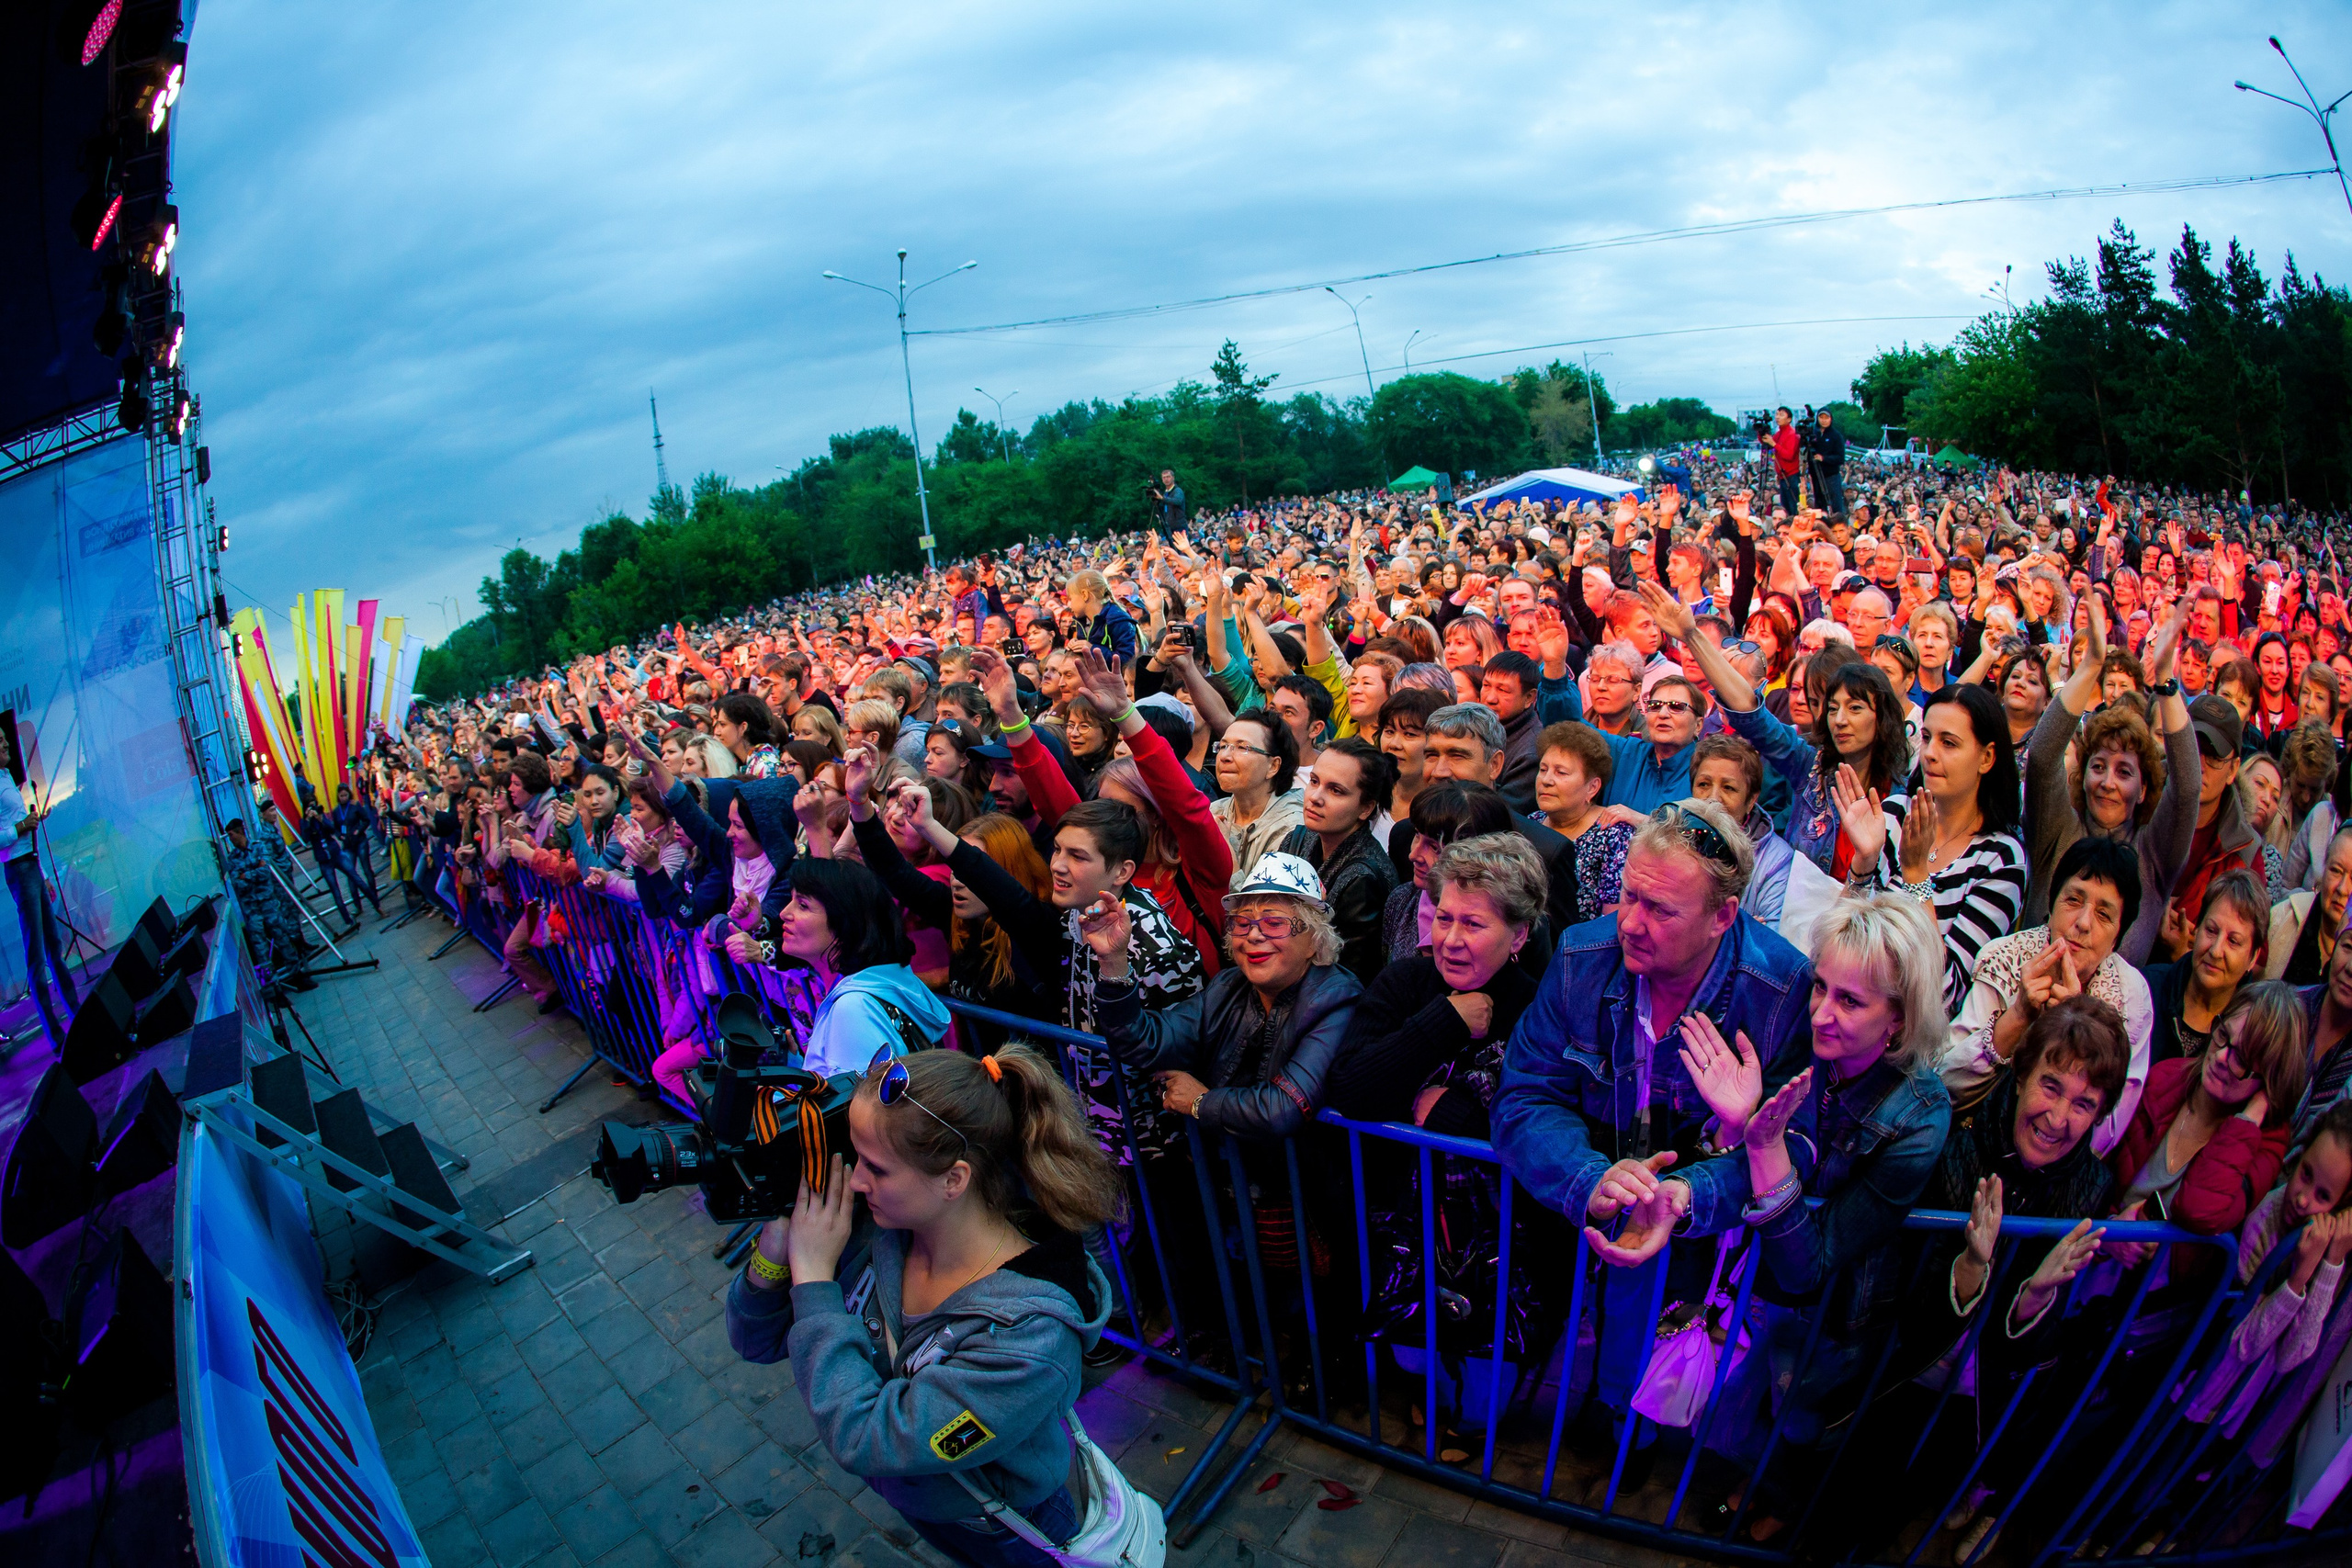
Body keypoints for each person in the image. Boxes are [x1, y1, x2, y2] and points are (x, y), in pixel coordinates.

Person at [1491, 796, 1815, 1482]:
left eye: (1660, 909)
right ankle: (1613, 1412)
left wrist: (1686, 1195)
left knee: (1671, 1346)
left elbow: (1801, 1141)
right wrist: (1589, 1178)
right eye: (1628, 895)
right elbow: (1524, 1095)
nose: (1630, 923)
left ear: (1724, 916)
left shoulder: (1779, 986)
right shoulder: (1583, 953)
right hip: (1600, 1202)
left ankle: (1640, 1428)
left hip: (1707, 1231)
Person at [727, 1045, 1125, 1568]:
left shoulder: (1029, 1339)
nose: (856, 1181)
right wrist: (778, 1253)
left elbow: (868, 1438)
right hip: (928, 1504)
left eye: (876, 1168)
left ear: (953, 1179)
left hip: (1008, 1528)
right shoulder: (882, 1232)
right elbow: (756, 1341)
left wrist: (816, 1280)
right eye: (854, 1156)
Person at [1816, 996, 2128, 1563]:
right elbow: (1909, 1307)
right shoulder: (1957, 1144)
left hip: (1979, 1401)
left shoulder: (2091, 1189)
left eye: (2084, 1104)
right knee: (1848, 1508)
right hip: (1907, 1375)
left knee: (1908, 1511)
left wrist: (2034, 1298)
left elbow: (2031, 1354)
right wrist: (1969, 1270)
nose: (2059, 1119)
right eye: (2051, 1087)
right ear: (2021, 1072)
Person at [1682, 892, 1952, 1540]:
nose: (1822, 1014)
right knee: (1749, 1399)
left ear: (1900, 1018)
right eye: (1821, 987)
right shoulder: (1802, 1039)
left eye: (1851, 1001)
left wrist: (1763, 1143)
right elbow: (1729, 1145)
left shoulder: (1919, 1113)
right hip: (1753, 1287)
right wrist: (1730, 1127)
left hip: (1834, 1313)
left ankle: (1777, 1499)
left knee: (1801, 1414)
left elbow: (1813, 1264)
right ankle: (1749, 1476)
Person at [1941, 836, 2154, 1155]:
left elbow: (2106, 1132)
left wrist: (2075, 1025)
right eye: (2073, 900)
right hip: (1973, 1148)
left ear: (2116, 940)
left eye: (2104, 914)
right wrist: (2018, 1016)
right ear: (2051, 905)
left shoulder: (2130, 994)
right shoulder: (2004, 958)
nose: (2083, 923)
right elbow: (1945, 1088)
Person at [1329, 833, 1546, 1135]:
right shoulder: (1402, 981)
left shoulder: (1537, 1011)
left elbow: (1540, 1132)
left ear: (1518, 936)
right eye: (1444, 919)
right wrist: (1446, 1020)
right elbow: (1348, 1090)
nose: (1451, 940)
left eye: (1472, 924)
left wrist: (1452, 1114)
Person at [2019, 599, 2198, 962]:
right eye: (2098, 766)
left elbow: (2188, 787)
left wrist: (2164, 680)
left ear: (2144, 789)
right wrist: (2089, 668)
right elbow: (2041, 758)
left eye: (2124, 772)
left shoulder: (2152, 855)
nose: (2107, 782)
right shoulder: (2056, 832)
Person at [1831, 683, 2028, 1012]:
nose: (1930, 753)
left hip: (1913, 1035)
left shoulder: (2001, 858)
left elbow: (1945, 992)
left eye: (1949, 743)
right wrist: (1863, 862)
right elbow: (1836, 941)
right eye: (1926, 738)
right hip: (1850, 1000)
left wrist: (1916, 874)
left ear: (1987, 757)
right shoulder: (1894, 814)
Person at [736, 854, 950, 1077]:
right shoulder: (872, 986)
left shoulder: (853, 1009)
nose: (784, 913)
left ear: (844, 924)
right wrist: (800, 1067)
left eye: (803, 905)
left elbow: (855, 1108)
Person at [1274, 736, 1398, 983]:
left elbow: (1347, 976)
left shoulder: (1364, 878)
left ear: (1366, 808)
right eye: (1314, 781)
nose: (1315, 797)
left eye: (1336, 790)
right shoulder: (1297, 840)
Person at [2143, 870, 2268, 1068]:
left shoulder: (2251, 1037)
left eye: (2233, 941)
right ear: (2197, 928)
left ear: (2253, 958)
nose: (2216, 951)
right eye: (2211, 930)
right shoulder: (2145, 988)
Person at [1532, 721, 1635, 924]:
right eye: (1543, 769)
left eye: (1561, 772)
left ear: (1592, 787)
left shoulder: (1613, 833)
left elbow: (1612, 921)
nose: (1546, 780)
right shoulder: (1532, 822)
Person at [1208, 711, 1303, 886]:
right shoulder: (1213, 812)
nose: (1224, 757)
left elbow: (1264, 909)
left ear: (1273, 766)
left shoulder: (1291, 832)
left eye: (1243, 748)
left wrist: (1226, 855)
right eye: (1222, 746)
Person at [223, 815, 315, 993]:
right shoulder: (233, 859)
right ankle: (273, 988)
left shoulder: (259, 847)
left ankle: (298, 976)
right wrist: (254, 870)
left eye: (231, 835)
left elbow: (266, 872)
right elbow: (237, 883)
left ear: (240, 832)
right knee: (261, 949)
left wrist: (247, 875)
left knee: (283, 938)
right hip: (253, 910)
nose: (230, 839)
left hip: (269, 904)